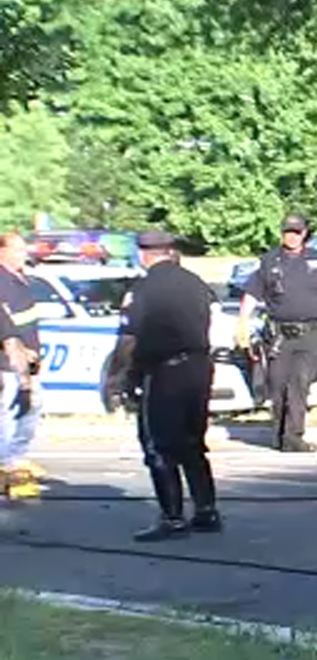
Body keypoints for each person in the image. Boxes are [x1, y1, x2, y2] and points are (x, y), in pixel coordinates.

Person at [108, 231, 222, 541]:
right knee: (193, 442)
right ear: (170, 252)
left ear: (143, 254)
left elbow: (129, 339)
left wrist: (117, 378)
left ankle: (172, 518)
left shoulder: (144, 289)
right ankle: (206, 510)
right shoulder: (196, 283)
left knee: (159, 446)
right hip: (199, 368)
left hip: (165, 371)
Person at [236, 213, 317, 452]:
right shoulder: (269, 261)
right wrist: (243, 323)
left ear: (304, 234)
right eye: (288, 232)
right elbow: (252, 294)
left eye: (297, 232)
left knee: (299, 383)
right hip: (279, 335)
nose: (292, 237)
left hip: (311, 333)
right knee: (277, 386)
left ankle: (294, 437)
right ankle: (280, 435)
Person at [0, 232, 44, 498]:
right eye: (17, 250)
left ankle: (15, 457)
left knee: (33, 406)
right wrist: (17, 351)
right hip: (8, 360)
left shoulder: (20, 280)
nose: (23, 255)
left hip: (28, 359)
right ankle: (5, 463)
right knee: (7, 410)